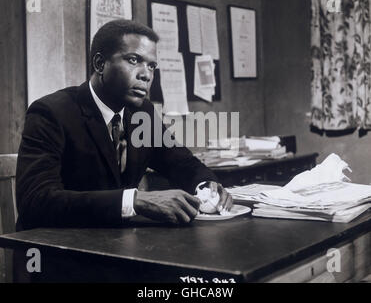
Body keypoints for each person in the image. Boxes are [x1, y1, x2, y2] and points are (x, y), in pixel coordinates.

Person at [15, 19, 233, 230]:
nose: (146, 75)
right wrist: (135, 201)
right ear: (100, 64)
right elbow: (36, 201)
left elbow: (182, 163)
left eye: (152, 65)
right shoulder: (51, 112)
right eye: (133, 60)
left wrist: (206, 187)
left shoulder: (142, 112)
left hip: (116, 245)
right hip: (56, 252)